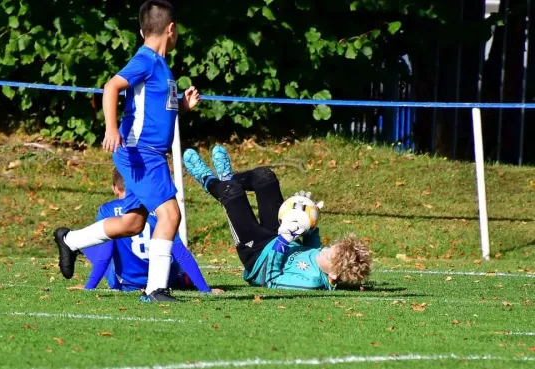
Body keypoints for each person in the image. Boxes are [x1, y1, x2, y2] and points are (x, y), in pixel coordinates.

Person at [53, 0, 200, 302]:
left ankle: (70, 240)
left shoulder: (162, 67)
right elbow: (111, 87)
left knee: (133, 223)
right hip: (141, 152)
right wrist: (110, 128)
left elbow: (157, 112)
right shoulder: (146, 60)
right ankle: (155, 289)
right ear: (171, 29)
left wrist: (183, 107)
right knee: (170, 215)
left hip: (147, 153)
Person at [182, 145, 372, 290]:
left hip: (258, 255)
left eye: (329, 255)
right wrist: (308, 216)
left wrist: (282, 241)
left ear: (332, 275)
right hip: (282, 238)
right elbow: (313, 248)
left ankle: (208, 180)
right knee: (265, 178)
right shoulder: (324, 261)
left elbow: (270, 280)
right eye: (331, 248)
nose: (325, 250)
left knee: (232, 194)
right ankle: (228, 177)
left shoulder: (312, 281)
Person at [79, 168, 223, 294]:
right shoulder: (160, 208)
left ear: (114, 188)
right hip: (164, 281)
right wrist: (206, 290)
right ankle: (182, 278)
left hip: (130, 284)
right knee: (171, 252)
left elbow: (105, 254)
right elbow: (181, 253)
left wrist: (89, 287)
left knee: (91, 242)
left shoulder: (107, 210)